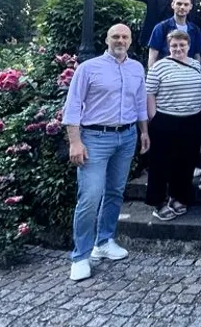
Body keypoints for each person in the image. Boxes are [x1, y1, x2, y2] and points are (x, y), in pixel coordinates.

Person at [62, 24, 150, 282]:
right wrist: (74, 142)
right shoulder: (88, 68)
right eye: (116, 36)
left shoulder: (136, 68)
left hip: (127, 136)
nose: (120, 40)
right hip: (95, 137)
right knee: (90, 196)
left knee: (114, 192)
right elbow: (73, 105)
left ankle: (105, 240)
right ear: (107, 39)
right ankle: (80, 255)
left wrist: (144, 132)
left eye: (124, 37)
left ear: (131, 40)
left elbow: (140, 102)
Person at [144, 30, 201, 221]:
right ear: (168, 47)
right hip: (166, 120)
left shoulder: (196, 65)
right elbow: (149, 93)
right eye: (174, 46)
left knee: (186, 162)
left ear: (188, 46)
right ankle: (158, 202)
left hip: (192, 120)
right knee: (161, 163)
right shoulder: (159, 67)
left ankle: (180, 197)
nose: (178, 49)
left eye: (182, 45)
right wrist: (154, 118)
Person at [147, 0, 201, 68]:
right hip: (166, 73)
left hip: (188, 73)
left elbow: (197, 56)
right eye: (179, 4)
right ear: (173, 5)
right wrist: (153, 76)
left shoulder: (195, 30)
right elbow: (152, 56)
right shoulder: (161, 27)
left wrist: (197, 72)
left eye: (186, 4)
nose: (182, 7)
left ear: (191, 7)